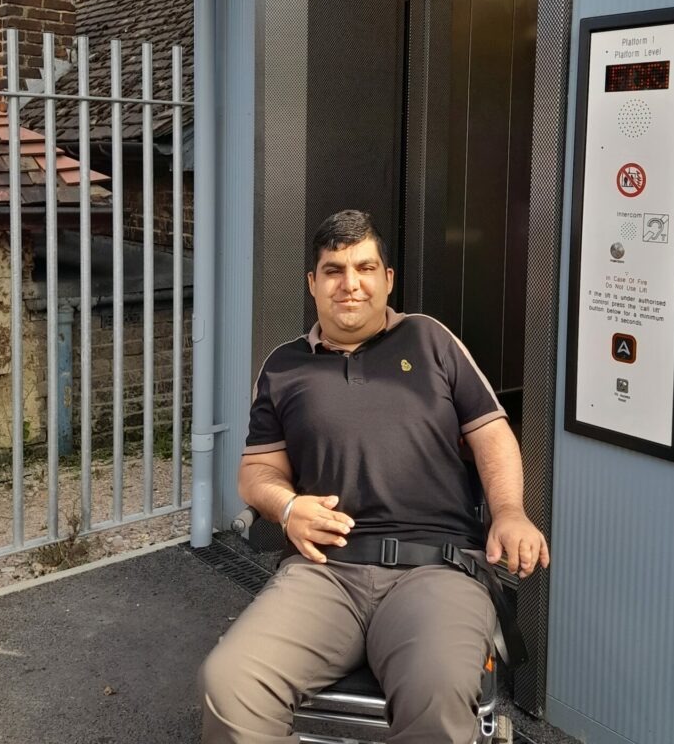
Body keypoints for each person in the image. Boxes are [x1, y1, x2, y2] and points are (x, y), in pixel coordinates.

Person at [200, 209, 549, 744]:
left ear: (387, 279)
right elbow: (258, 472)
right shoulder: (284, 366)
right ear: (313, 284)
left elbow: (491, 433)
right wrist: (288, 508)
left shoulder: (430, 340)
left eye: (365, 267)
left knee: (436, 692)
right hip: (324, 572)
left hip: (435, 568)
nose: (350, 284)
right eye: (334, 270)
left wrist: (509, 512)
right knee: (230, 683)